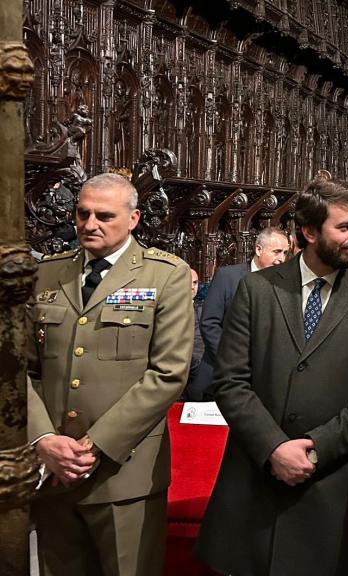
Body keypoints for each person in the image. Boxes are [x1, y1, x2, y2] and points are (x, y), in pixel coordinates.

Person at [195, 177, 348, 576]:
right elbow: (231, 380)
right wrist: (273, 448)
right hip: (252, 476)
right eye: (345, 227)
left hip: (326, 481)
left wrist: (315, 448)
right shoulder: (256, 289)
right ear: (308, 231)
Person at [27, 173, 194, 576]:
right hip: (54, 472)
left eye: (104, 215)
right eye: (83, 214)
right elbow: (21, 367)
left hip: (124, 473)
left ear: (134, 218)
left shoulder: (164, 275)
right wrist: (43, 438)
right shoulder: (48, 273)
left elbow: (168, 373)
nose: (89, 224)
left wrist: (94, 445)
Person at [186, 227, 290, 400]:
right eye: (277, 252)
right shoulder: (228, 276)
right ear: (258, 249)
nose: (281, 259)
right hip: (219, 375)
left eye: (285, 253)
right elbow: (210, 323)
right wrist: (231, 360)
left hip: (263, 382)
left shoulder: (284, 283)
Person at [187, 267, 204, 396]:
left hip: (203, 373)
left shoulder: (205, 308)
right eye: (188, 282)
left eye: (195, 283)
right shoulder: (166, 310)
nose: (193, 287)